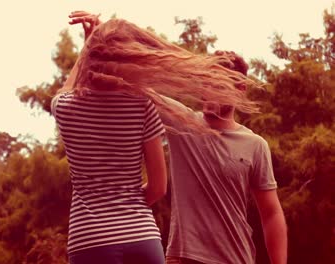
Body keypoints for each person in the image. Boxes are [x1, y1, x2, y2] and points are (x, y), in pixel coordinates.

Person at [54, 11, 262, 264]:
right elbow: (158, 187)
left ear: (91, 59)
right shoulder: (142, 105)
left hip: (90, 240)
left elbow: (69, 87)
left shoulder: (65, 107)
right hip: (142, 239)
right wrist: (127, 204)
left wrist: (88, 45)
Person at [162, 51, 288, 264]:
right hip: (183, 258)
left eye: (219, 85)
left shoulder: (255, 145)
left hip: (236, 258)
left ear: (240, 89)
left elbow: (271, 213)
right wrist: (98, 49)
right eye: (206, 82)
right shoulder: (180, 122)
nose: (209, 91)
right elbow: (135, 87)